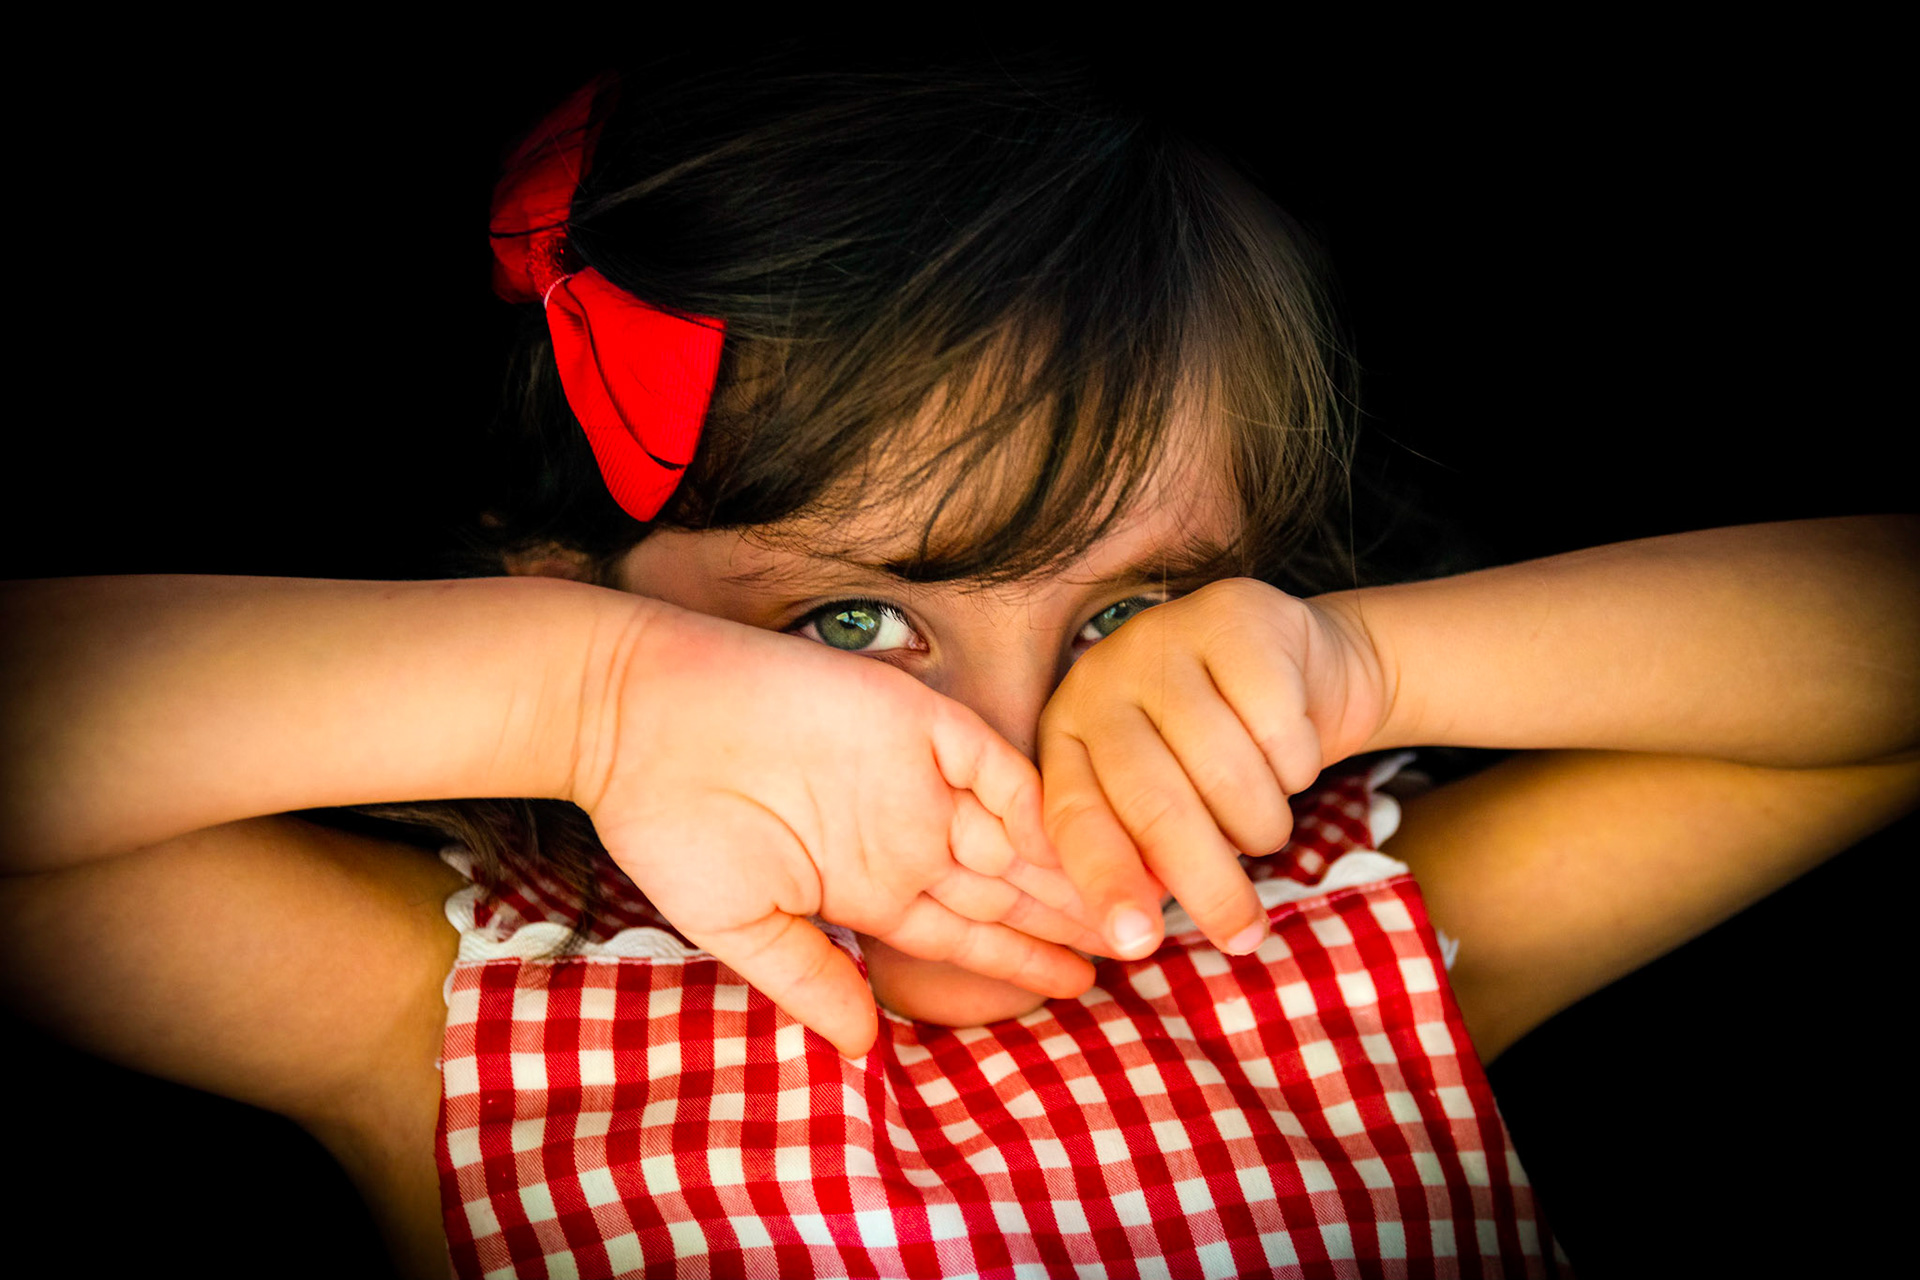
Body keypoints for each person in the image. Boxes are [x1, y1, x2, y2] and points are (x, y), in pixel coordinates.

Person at [3, 47, 1914, 1279]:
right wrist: (580, 702)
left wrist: (1356, 670)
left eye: (1131, 620)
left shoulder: (1316, 945)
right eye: (851, 625)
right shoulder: (449, 1020)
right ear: (565, 593)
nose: (1013, 749)